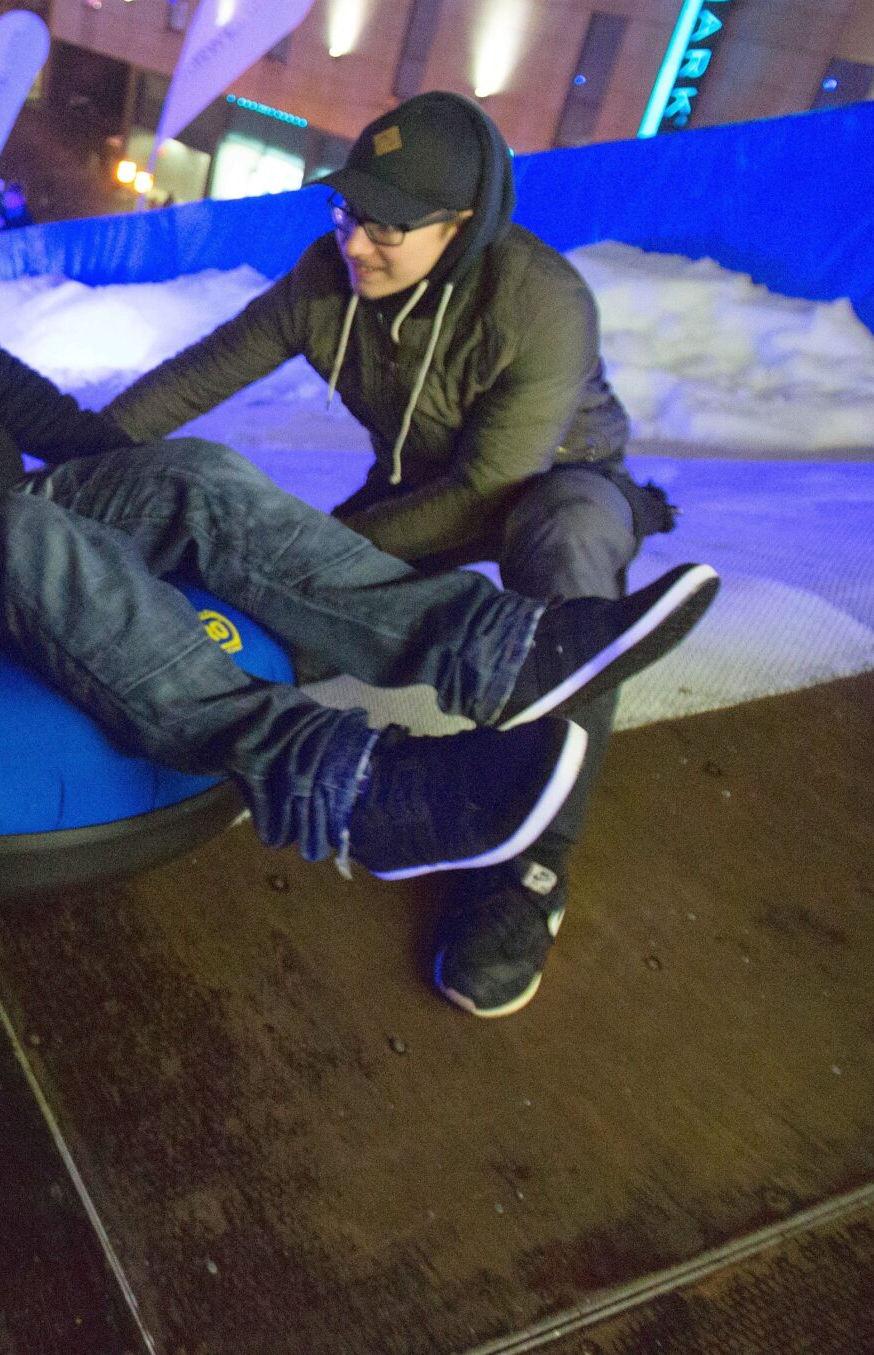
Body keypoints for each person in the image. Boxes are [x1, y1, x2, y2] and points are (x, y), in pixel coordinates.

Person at [0, 166, 717, 891]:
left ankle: (497, 651)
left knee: (195, 472)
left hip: (2, 506)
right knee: (25, 543)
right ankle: (349, 788)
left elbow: (16, 401)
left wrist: (152, 490)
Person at [106, 90, 677, 1019]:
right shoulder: (332, 277)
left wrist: (314, 558)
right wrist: (70, 452)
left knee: (565, 553)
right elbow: (201, 374)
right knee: (286, 621)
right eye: (347, 213)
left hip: (554, 483)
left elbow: (489, 489)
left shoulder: (542, 304)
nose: (356, 244)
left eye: (387, 229)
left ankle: (528, 865)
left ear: (460, 227)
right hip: (420, 488)